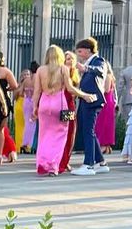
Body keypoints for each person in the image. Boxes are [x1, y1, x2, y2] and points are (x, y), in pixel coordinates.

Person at [32, 45, 92, 176]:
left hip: (44, 104)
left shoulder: (40, 70)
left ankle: (43, 163)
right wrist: (84, 95)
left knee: (44, 136)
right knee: (60, 136)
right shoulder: (63, 69)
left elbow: (36, 92)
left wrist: (34, 107)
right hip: (59, 104)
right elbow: (70, 88)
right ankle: (54, 166)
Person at [73, 37, 111, 175]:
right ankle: (101, 162)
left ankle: (88, 164)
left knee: (88, 131)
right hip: (86, 100)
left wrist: (86, 68)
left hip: (93, 100)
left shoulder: (98, 60)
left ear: (88, 50)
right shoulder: (89, 62)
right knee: (88, 131)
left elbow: (100, 70)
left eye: (80, 51)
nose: (78, 54)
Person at [0, 51, 20, 163]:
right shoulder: (6, 71)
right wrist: (7, 89)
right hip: (3, 99)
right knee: (1, 130)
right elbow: (15, 85)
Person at [58, 51, 82, 173]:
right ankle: (60, 161)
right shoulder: (62, 73)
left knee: (71, 133)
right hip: (63, 105)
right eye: (67, 59)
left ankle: (66, 160)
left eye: (72, 59)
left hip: (71, 106)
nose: (70, 61)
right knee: (63, 133)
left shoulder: (75, 75)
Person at [20, 61, 39, 153]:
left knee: (27, 123)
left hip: (26, 101)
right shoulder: (38, 78)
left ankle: (24, 143)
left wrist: (27, 93)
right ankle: (31, 145)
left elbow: (20, 92)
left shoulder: (26, 80)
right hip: (34, 101)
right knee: (34, 124)